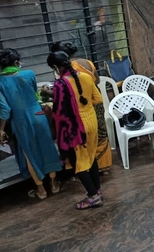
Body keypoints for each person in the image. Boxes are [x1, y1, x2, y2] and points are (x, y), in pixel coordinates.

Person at [0, 49, 62, 200]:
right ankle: (54, 184)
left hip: (20, 121)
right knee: (47, 148)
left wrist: (0, 129)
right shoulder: (29, 74)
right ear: (16, 62)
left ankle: (41, 190)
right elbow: (34, 95)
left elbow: (5, 109)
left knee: (29, 153)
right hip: (38, 116)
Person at [41, 41, 113, 176]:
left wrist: (47, 92)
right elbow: (96, 81)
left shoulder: (69, 69)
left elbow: (68, 91)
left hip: (81, 108)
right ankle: (104, 166)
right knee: (100, 133)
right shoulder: (87, 62)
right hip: (95, 103)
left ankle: (85, 170)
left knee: (82, 139)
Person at [46, 50, 105, 209]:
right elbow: (98, 99)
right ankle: (97, 191)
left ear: (56, 67)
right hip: (91, 121)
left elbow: (59, 111)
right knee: (91, 157)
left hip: (76, 127)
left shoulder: (60, 84)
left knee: (78, 162)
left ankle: (93, 197)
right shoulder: (86, 76)